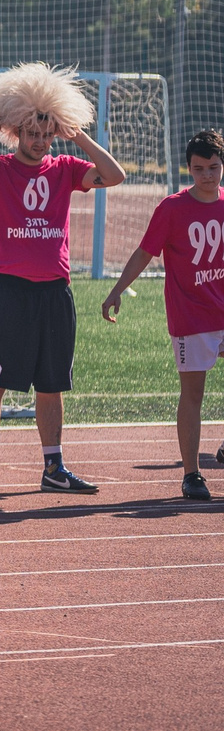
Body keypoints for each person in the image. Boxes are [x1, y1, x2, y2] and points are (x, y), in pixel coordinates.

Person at [0, 63, 124, 495]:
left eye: (46, 133)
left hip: (54, 292)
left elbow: (115, 176)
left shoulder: (66, 166)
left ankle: (53, 469)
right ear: (17, 132)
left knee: (51, 384)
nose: (39, 140)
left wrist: (78, 134)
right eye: (31, 132)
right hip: (8, 290)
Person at [102, 127, 224, 502]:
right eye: (200, 168)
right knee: (193, 394)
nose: (208, 174)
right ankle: (192, 475)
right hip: (191, 316)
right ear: (189, 169)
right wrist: (117, 289)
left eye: (214, 167)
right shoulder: (171, 208)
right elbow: (144, 253)